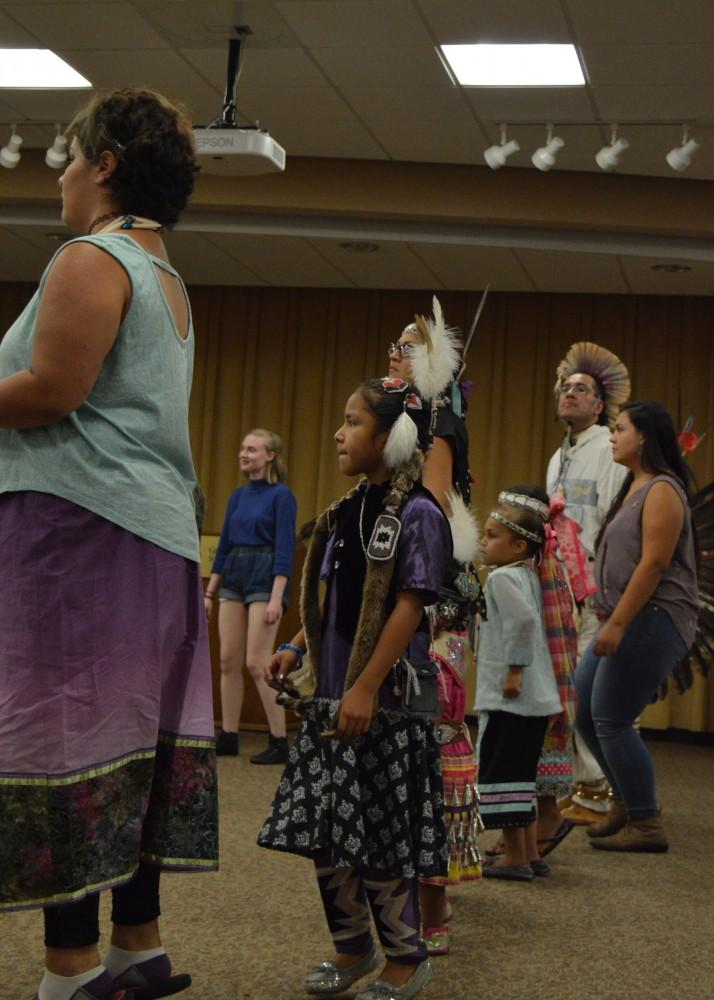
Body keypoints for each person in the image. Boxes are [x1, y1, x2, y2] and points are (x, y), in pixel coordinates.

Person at [0, 89, 217, 1000]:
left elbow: (52, 388)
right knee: (133, 747)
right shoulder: (164, 274)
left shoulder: (91, 257)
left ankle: (71, 973)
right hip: (148, 537)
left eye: (69, 154)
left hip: (81, 533)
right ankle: (137, 949)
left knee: (63, 740)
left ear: (108, 165)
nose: (58, 173)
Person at [258, 376, 452, 1000]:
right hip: (332, 696)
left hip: (384, 702)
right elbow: (337, 604)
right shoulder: (346, 512)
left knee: (380, 834)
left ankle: (405, 956)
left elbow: (411, 604)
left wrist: (365, 688)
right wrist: (296, 645)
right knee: (325, 832)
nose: (339, 434)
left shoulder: (420, 513)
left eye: (353, 422)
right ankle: (352, 946)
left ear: (390, 435)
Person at [387, 299, 481, 956]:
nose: (394, 352)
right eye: (392, 344)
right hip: (400, 578)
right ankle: (398, 890)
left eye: (407, 346)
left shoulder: (437, 419)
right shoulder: (400, 416)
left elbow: (436, 504)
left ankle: (434, 898)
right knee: (398, 741)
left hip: (434, 590)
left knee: (432, 739)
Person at [575, 402, 699, 852]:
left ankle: (645, 822)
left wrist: (618, 624)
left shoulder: (663, 489)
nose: (612, 435)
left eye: (620, 428)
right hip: (623, 615)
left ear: (643, 437)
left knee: (611, 717)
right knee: (586, 710)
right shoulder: (635, 486)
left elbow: (654, 564)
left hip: (653, 616)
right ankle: (628, 801)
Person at [546, 341, 630, 829]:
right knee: (565, 690)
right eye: (566, 387)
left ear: (599, 405)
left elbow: (614, 521)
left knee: (586, 689)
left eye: (582, 390)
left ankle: (604, 788)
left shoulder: (608, 449)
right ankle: (584, 785)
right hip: (558, 583)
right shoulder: (559, 456)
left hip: (594, 583)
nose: (570, 394)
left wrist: (602, 587)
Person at [476, 496, 562, 881]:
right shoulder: (526, 576)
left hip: (513, 698)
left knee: (503, 775)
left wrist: (513, 671)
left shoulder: (503, 578)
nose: (483, 542)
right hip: (535, 700)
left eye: (492, 536)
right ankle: (528, 852)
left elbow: (523, 622)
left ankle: (513, 856)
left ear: (519, 546)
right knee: (522, 777)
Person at [205, 429, 297, 765]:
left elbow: (285, 547)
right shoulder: (237, 496)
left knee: (257, 663)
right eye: (242, 448)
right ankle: (228, 735)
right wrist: (210, 592)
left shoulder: (281, 496)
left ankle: (278, 740)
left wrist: (276, 597)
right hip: (234, 572)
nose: (244, 454)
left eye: (253, 449)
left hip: (265, 574)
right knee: (228, 660)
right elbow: (225, 544)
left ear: (270, 455)